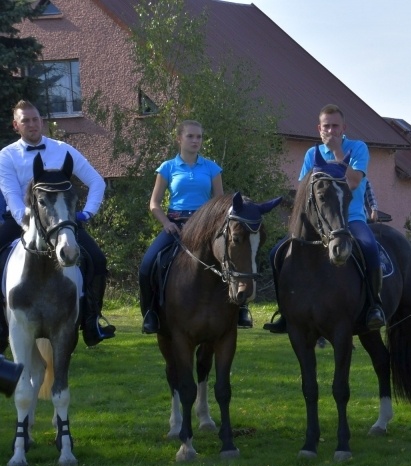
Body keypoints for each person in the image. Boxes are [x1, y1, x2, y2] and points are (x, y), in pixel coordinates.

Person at [0, 100, 115, 347]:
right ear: (16, 125)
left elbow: (97, 181)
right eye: (25, 121)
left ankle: (91, 321)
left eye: (35, 119)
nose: (32, 124)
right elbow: (12, 196)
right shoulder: (6, 156)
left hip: (61, 222)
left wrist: (87, 213)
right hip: (20, 221)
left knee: (97, 259)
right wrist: (29, 225)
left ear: (41, 121)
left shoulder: (63, 150)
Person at [264, 104, 385, 333]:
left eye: (335, 126)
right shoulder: (312, 154)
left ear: (344, 128)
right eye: (326, 126)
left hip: (351, 218)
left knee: (369, 248)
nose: (331, 131)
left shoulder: (358, 148)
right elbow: (303, 190)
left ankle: (374, 305)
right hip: (318, 223)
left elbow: (354, 182)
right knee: (275, 253)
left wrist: (338, 152)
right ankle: (285, 312)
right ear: (319, 129)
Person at [139, 120, 255, 333]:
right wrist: (166, 223)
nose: (195, 141)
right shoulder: (167, 168)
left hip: (206, 226)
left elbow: (221, 203)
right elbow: (154, 204)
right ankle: (150, 314)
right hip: (176, 225)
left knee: (235, 257)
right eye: (190, 136)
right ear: (179, 139)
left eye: (199, 137)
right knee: (147, 264)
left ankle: (241, 309)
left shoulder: (212, 168)